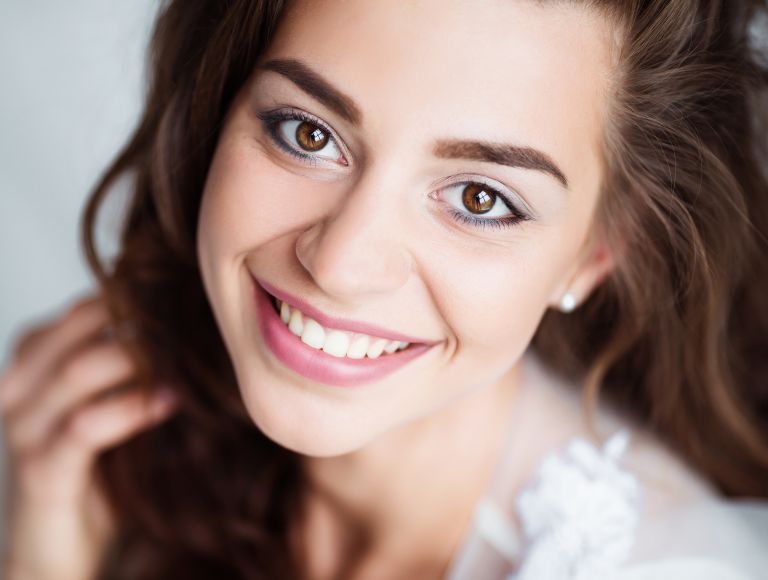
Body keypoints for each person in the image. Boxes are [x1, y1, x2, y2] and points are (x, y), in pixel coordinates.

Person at [2, 0, 767, 578]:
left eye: (479, 199)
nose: (339, 263)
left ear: (594, 254)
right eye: (307, 133)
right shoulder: (95, 449)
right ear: (217, 113)